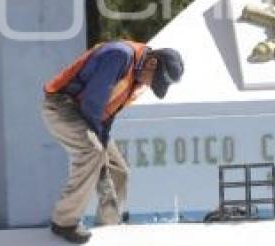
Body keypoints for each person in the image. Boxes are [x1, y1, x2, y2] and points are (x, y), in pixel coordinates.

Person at [41, 40, 184, 243]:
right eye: (155, 80)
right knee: (93, 153)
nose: (150, 85)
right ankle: (64, 222)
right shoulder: (119, 56)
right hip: (62, 107)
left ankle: (108, 228)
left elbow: (106, 117)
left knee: (120, 170)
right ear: (152, 63)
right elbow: (92, 105)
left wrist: (105, 159)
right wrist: (101, 168)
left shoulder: (137, 76)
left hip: (87, 116)